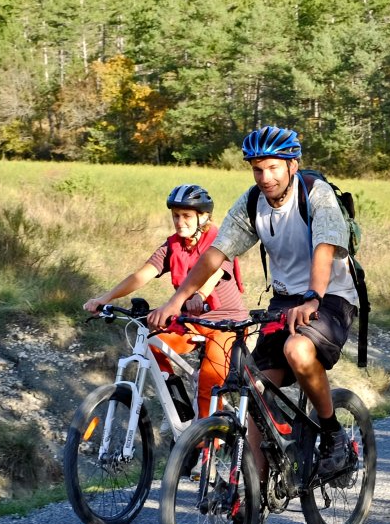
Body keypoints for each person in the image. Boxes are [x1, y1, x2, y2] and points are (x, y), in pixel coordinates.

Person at [147, 126, 359, 481]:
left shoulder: (316, 194)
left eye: (273, 167)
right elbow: (216, 253)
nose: (265, 177)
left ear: (293, 165)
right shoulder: (252, 202)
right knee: (248, 391)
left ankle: (333, 435)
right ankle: (252, 494)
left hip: (331, 296)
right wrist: (176, 300)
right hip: (284, 299)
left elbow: (324, 248)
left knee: (298, 349)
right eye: (258, 169)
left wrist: (312, 297)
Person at [84, 184, 248, 418]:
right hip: (192, 321)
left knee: (209, 386)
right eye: (175, 216)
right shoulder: (173, 245)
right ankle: (179, 407)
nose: (180, 221)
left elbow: (213, 274)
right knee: (154, 342)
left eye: (186, 216)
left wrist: (199, 295)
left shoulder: (219, 241)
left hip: (225, 322)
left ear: (203, 217)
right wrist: (104, 298)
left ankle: (207, 448)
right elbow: (140, 275)